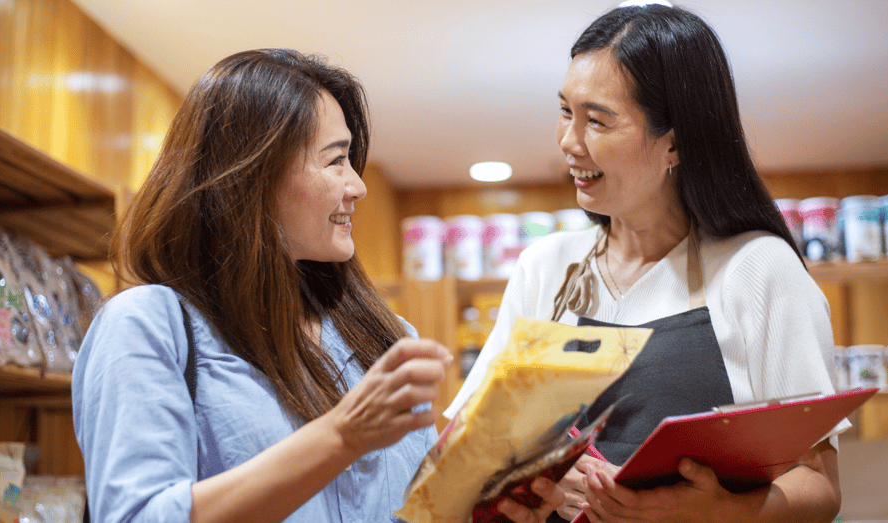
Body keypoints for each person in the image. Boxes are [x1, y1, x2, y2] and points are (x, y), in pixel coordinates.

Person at [72, 48, 560, 523]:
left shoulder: (386, 336)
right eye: (335, 161)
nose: (358, 186)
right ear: (251, 176)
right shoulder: (147, 325)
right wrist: (341, 436)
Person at [446, 5, 846, 523]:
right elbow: (463, 445)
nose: (569, 142)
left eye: (597, 120)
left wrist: (724, 511)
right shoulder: (545, 269)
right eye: (566, 111)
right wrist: (524, 474)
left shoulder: (758, 270)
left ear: (674, 141)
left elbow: (819, 485)